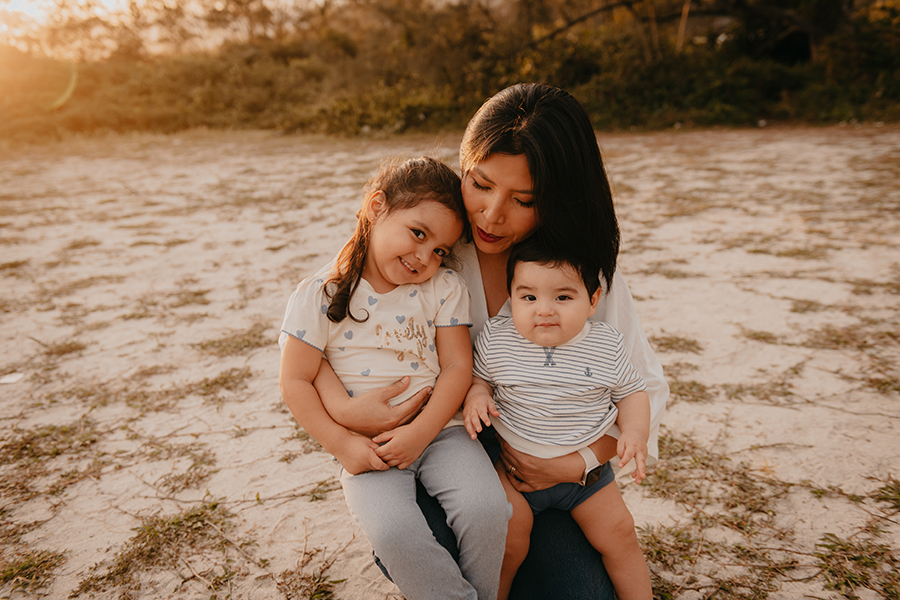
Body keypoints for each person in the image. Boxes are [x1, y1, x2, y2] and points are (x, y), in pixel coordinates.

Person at [314, 83, 669, 600]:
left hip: (555, 478)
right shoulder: (431, 247)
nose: (491, 214)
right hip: (443, 455)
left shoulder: (579, 276)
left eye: (523, 200)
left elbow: (644, 390)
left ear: (557, 201)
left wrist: (574, 465)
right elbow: (318, 326)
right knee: (418, 543)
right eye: (479, 183)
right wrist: (343, 410)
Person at [278, 156, 509, 600]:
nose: (425, 257)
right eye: (418, 233)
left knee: (487, 509)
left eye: (440, 250)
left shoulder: (443, 288)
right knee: (392, 531)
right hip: (368, 446)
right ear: (377, 206)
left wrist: (423, 432)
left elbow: (459, 367)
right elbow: (295, 382)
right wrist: (342, 444)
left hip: (444, 430)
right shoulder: (321, 294)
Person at [464, 236, 653, 600]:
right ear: (512, 297)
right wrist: (477, 396)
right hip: (515, 472)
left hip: (587, 479)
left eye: (563, 297)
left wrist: (634, 431)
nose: (544, 310)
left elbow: (632, 392)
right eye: (529, 297)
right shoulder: (497, 338)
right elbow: (481, 379)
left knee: (621, 535)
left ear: (593, 301)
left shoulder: (605, 345)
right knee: (507, 543)